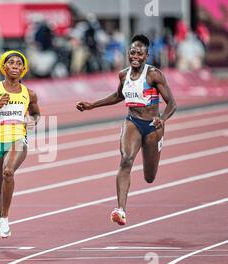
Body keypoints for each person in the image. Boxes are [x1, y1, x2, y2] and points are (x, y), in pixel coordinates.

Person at [76, 34, 177, 225]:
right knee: (126, 160)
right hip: (132, 122)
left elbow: (172, 103)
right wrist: (92, 105)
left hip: (153, 127)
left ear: (147, 56)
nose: (135, 56)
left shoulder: (153, 74)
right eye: (132, 52)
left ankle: (150, 163)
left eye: (140, 53)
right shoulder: (123, 74)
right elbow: (118, 95)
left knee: (149, 177)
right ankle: (120, 209)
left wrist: (162, 119)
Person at [0, 50, 41, 238]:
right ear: (4, 67)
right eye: (11, 63)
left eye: (19, 64)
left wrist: (33, 122)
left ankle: (5, 217)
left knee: (8, 172)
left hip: (18, 138)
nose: (15, 66)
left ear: (23, 69)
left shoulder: (29, 94)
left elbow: (36, 114)